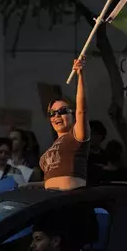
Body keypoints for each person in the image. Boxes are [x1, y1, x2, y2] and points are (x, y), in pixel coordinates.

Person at [34, 57, 89, 190]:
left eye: (63, 111)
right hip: (52, 201)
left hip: (70, 202)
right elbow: (54, 179)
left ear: (73, 114)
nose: (57, 115)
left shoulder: (76, 136)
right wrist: (31, 185)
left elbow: (82, 110)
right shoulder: (53, 144)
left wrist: (80, 75)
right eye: (52, 113)